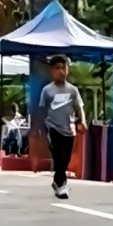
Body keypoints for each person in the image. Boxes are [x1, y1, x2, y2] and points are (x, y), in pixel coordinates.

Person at [38, 55, 87, 200]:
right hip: (53, 128)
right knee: (58, 158)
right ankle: (62, 186)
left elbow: (80, 107)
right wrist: (40, 129)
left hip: (69, 130)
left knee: (66, 159)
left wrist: (83, 121)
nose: (61, 71)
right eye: (57, 68)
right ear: (52, 71)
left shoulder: (73, 90)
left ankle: (57, 181)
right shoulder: (47, 90)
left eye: (63, 68)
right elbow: (42, 110)